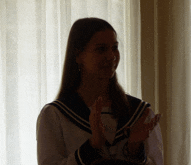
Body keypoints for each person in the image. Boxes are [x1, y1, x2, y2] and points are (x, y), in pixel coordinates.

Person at [36, 17, 163, 165]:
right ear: (78, 55)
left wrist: (135, 149)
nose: (111, 56)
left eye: (114, 47)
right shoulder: (55, 115)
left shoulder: (139, 114)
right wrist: (91, 147)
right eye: (101, 49)